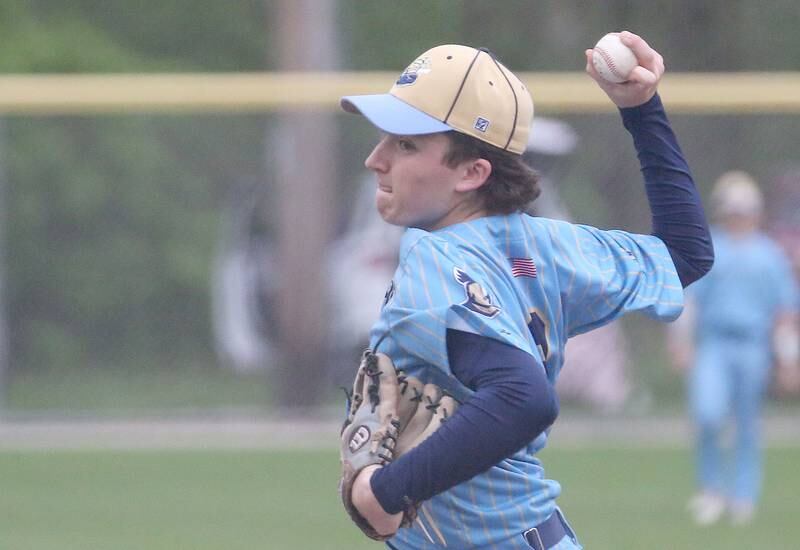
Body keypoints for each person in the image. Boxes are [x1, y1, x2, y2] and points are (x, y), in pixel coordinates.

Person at [340, 31, 713, 549]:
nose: (376, 159)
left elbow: (523, 398)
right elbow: (685, 253)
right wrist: (642, 109)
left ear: (473, 172)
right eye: (384, 137)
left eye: (406, 144)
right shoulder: (542, 245)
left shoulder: (435, 256)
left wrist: (385, 491)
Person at [668, 171, 799, 526]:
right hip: (714, 343)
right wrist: (681, 342)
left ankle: (743, 494)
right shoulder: (711, 248)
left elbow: (784, 311)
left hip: (752, 346)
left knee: (746, 423)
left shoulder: (769, 254)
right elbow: (690, 301)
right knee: (708, 414)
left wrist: (788, 359)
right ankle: (711, 489)